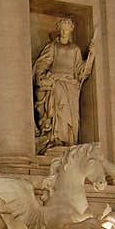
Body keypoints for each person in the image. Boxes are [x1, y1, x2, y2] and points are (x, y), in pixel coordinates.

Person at [33, 17, 96, 154]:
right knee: (59, 111)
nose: (64, 32)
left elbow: (81, 71)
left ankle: (69, 140)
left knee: (71, 115)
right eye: (62, 29)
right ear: (59, 29)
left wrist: (91, 56)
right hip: (57, 83)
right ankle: (56, 139)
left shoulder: (75, 49)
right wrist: (43, 77)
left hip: (71, 86)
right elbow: (42, 64)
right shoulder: (53, 47)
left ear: (71, 30)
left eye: (66, 29)